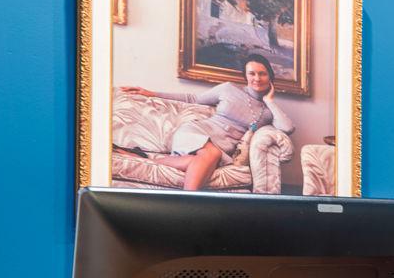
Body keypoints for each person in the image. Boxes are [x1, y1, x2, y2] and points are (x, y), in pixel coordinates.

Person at [125, 55, 294, 192]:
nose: (257, 78)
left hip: (221, 149)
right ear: (246, 76)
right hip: (197, 132)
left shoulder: (268, 111)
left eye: (262, 74)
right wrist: (152, 93)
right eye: (252, 73)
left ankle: (140, 158)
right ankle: (188, 204)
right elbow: (193, 98)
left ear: (270, 77)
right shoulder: (228, 89)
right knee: (211, 154)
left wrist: (269, 100)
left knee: (200, 160)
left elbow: (288, 128)